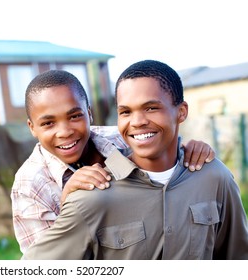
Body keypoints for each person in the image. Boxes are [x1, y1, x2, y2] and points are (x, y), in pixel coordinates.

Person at [21, 60, 248, 259]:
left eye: (151, 107)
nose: (137, 121)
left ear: (182, 111)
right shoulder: (78, 196)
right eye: (126, 112)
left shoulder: (214, 177)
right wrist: (69, 202)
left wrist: (187, 145)